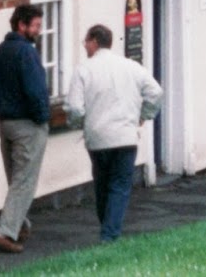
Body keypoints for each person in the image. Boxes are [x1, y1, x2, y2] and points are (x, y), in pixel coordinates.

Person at [66, 23, 163, 243]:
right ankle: (109, 234)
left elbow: (74, 108)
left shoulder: (83, 70)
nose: (84, 46)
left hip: (98, 138)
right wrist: (143, 115)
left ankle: (107, 232)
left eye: (85, 41)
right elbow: (156, 92)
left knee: (102, 185)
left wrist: (81, 124)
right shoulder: (131, 67)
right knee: (119, 186)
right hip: (126, 136)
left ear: (94, 41)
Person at [0, 3, 50, 254]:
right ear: (22, 25)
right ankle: (5, 232)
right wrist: (42, 118)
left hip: (4, 123)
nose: (38, 30)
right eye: (36, 25)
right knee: (24, 180)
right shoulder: (27, 53)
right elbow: (36, 91)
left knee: (16, 179)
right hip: (27, 125)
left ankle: (19, 224)